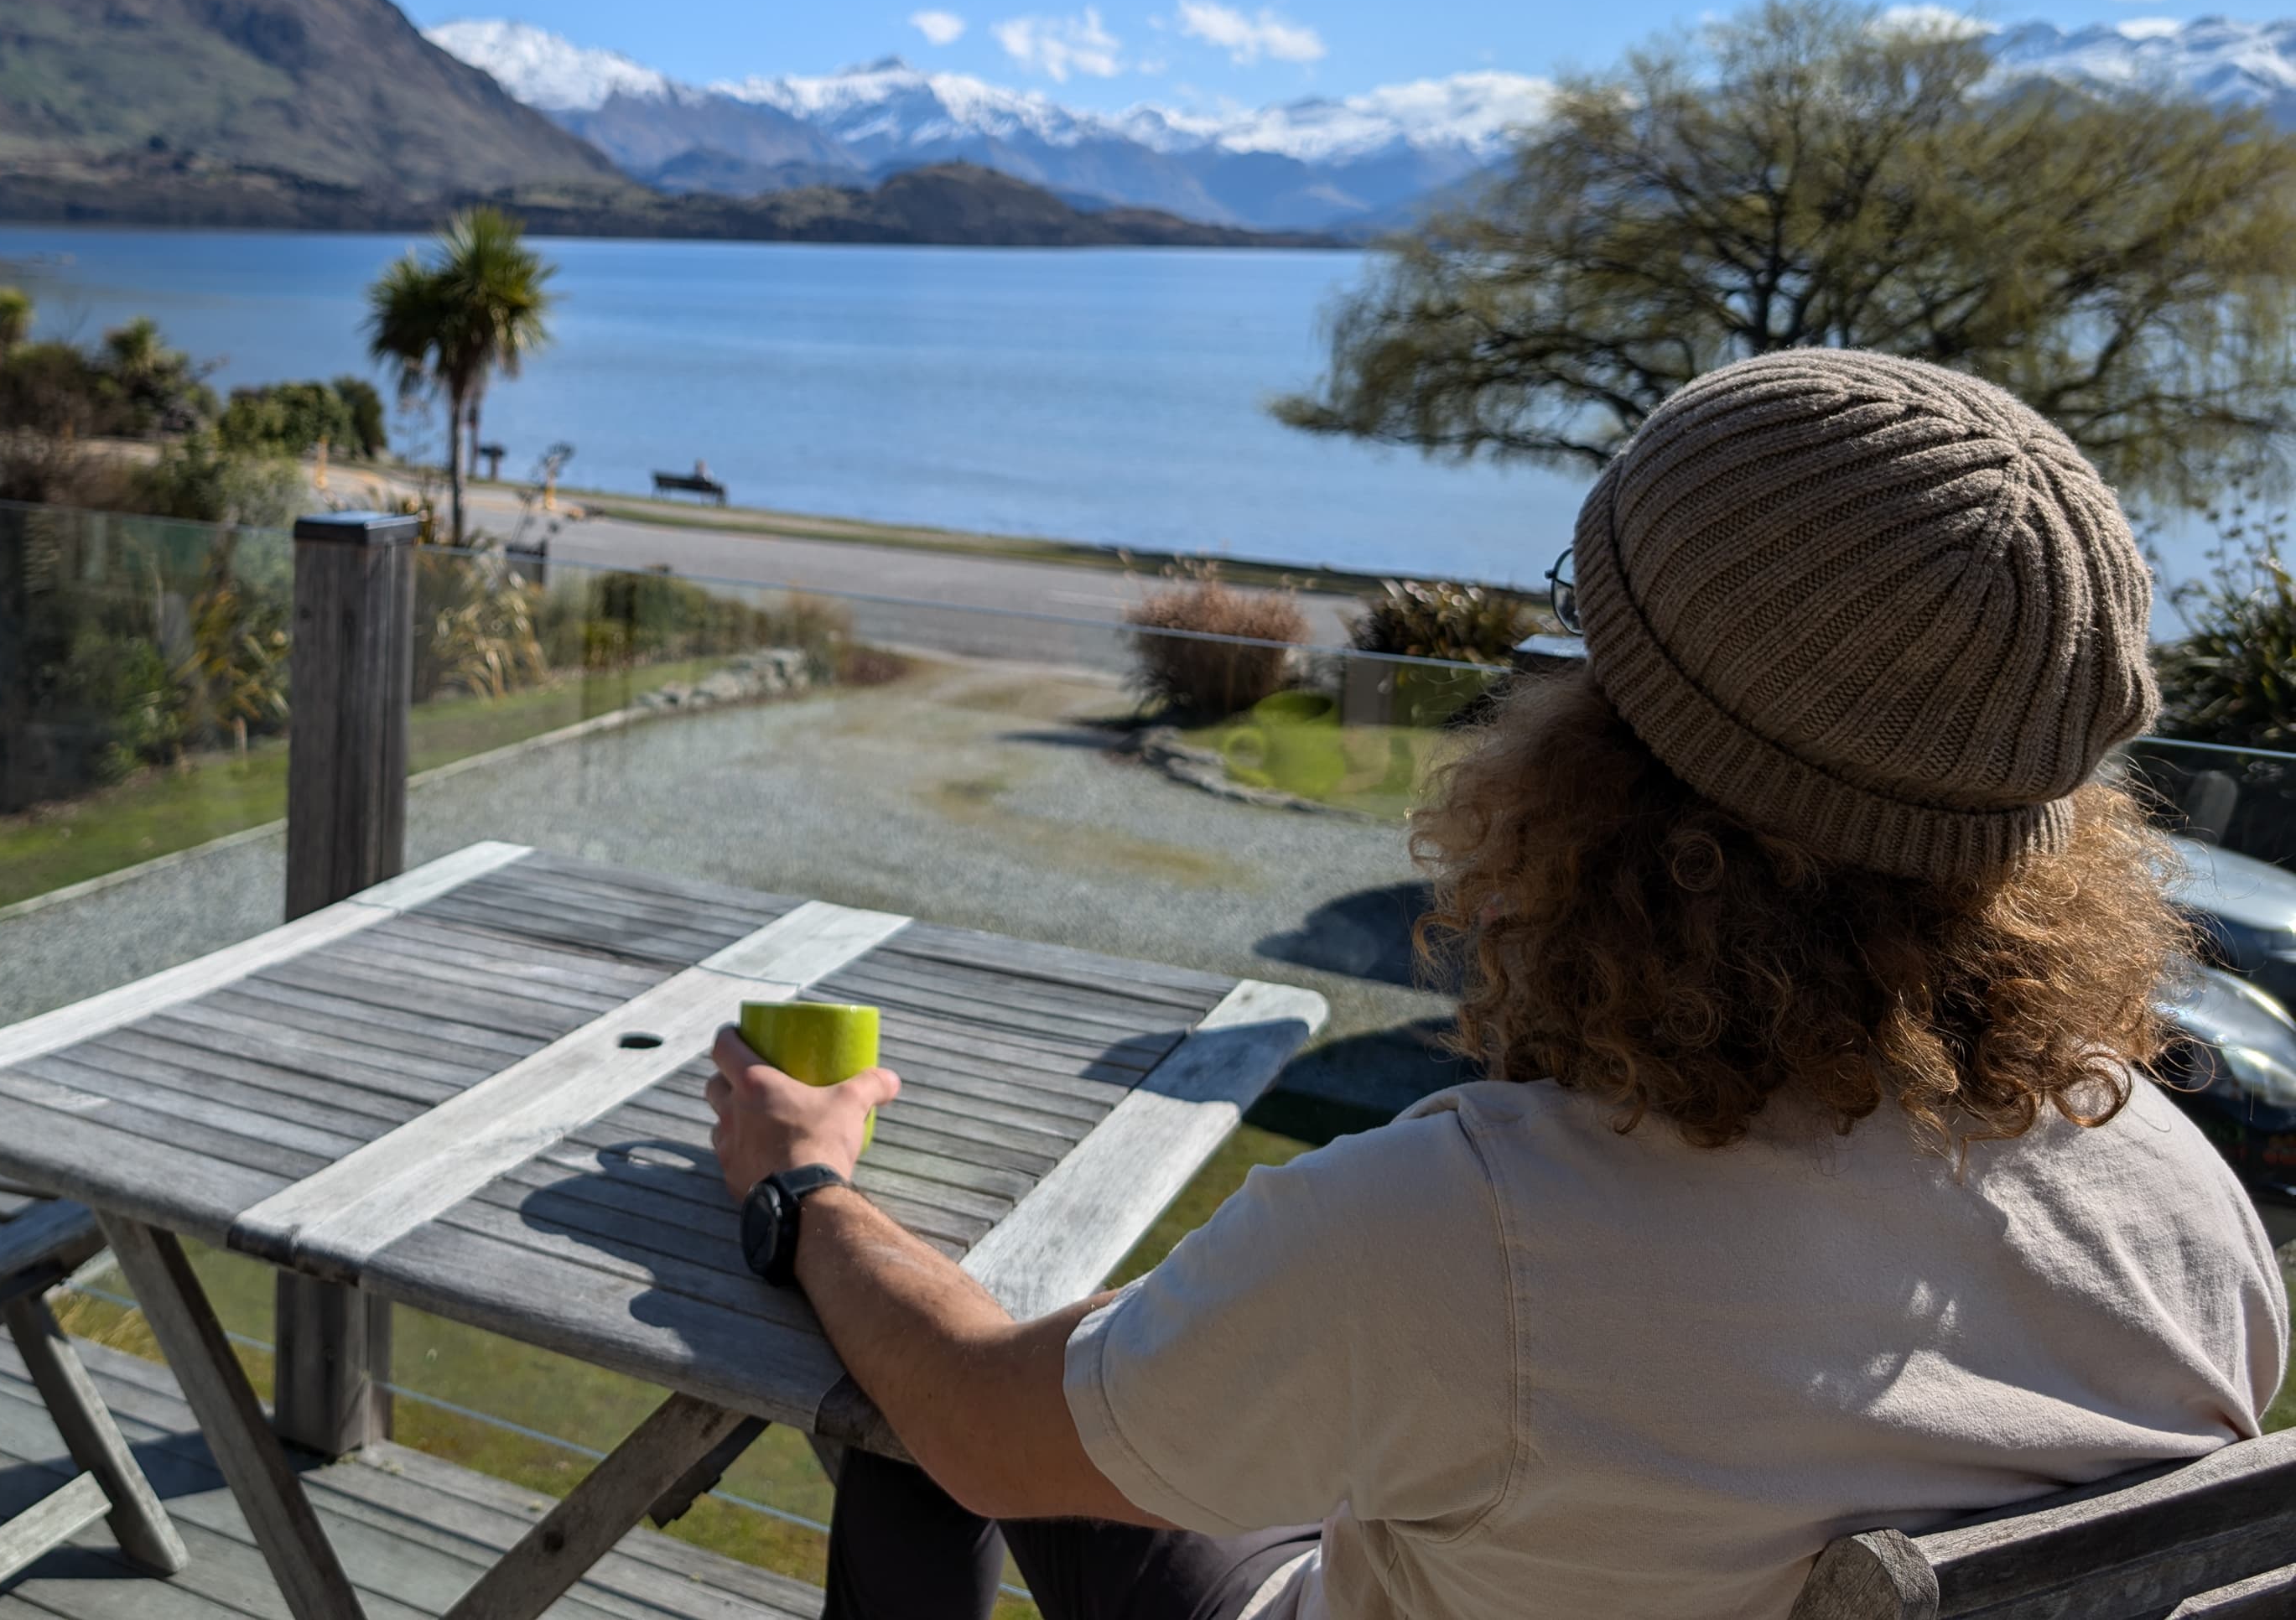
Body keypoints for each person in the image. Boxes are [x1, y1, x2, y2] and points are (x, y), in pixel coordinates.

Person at [708, 349, 2288, 1620]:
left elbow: (979, 1423)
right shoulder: (2176, 1208)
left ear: (1608, 765)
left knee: (916, 1386)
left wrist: (806, 1192)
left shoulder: (1468, 1240)